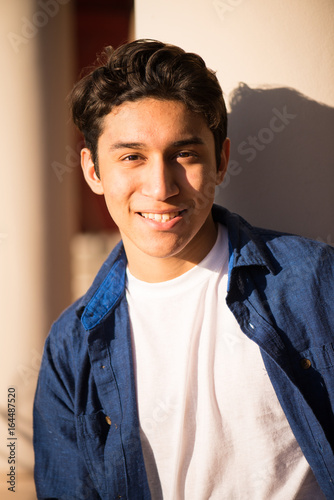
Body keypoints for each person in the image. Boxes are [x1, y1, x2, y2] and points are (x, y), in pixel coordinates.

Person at [33, 39, 334, 499]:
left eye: (185, 154)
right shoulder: (70, 344)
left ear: (222, 161)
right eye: (132, 157)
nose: (160, 186)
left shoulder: (313, 280)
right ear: (93, 170)